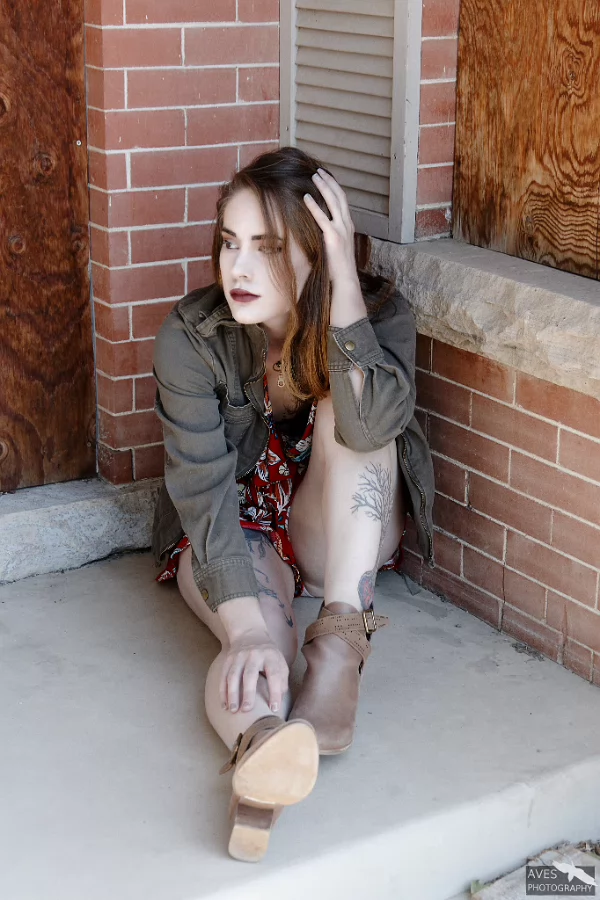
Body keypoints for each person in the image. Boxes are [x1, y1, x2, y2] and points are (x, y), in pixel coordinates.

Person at [151, 146, 435, 862]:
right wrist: (245, 626)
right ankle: (261, 752)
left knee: (354, 408)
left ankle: (341, 644)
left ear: (316, 250)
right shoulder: (192, 336)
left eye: (270, 248)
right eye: (230, 242)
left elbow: (374, 429)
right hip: (235, 527)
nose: (238, 268)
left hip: (335, 532)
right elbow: (203, 495)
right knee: (259, 648)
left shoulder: (378, 315)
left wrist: (341, 287)